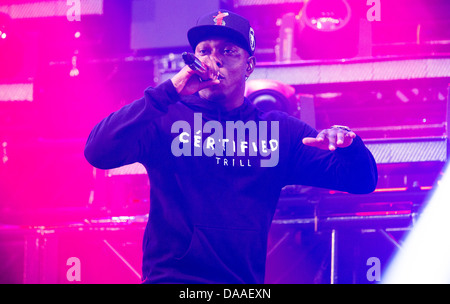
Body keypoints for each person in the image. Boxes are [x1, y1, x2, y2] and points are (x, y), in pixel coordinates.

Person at [84, 10, 378, 284]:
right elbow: (97, 151)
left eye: (227, 51)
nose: (214, 60)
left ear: (249, 65)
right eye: (204, 51)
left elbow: (361, 180)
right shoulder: (166, 117)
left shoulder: (279, 131)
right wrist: (167, 91)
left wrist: (349, 146)